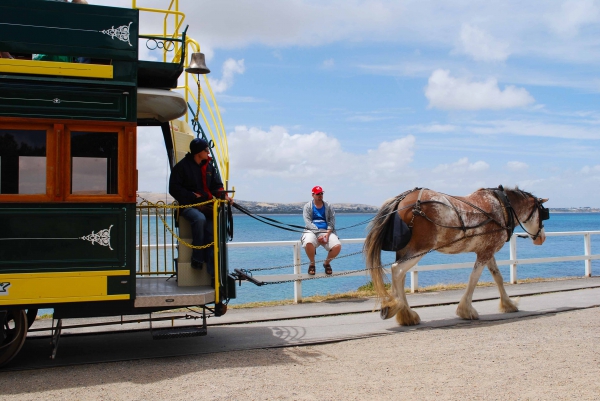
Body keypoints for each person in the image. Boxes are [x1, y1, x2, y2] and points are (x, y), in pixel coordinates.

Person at [169, 138, 232, 274]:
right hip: (188, 206)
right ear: (198, 152)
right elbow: (173, 188)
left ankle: (213, 273)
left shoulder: (209, 167)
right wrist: (192, 196)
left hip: (207, 206)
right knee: (199, 219)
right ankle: (197, 258)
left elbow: (217, 186)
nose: (208, 152)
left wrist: (225, 196)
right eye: (206, 150)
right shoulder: (181, 167)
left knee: (210, 233)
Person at [301, 185, 342, 275]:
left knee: (337, 246)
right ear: (313, 195)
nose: (320, 196)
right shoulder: (308, 206)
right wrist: (319, 234)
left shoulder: (328, 205)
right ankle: (312, 263)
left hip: (326, 231)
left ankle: (326, 263)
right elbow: (308, 222)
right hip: (311, 231)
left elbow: (332, 220)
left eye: (321, 193)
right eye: (318, 194)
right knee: (308, 242)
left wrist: (326, 235)